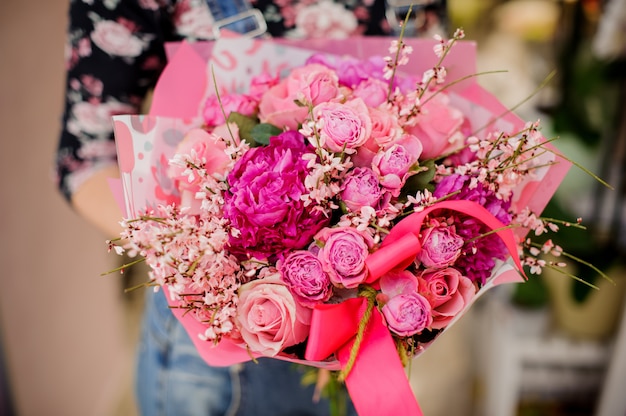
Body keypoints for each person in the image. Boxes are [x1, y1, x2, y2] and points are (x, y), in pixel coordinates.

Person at [55, 1, 448, 415]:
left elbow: (433, 84)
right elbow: (84, 163)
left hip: (369, 338)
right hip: (222, 344)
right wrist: (202, 261)